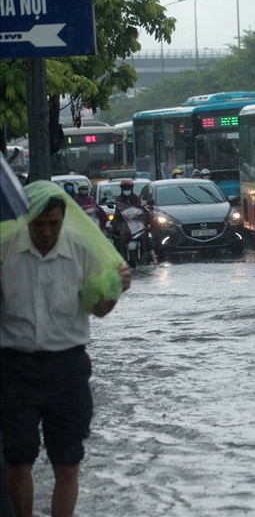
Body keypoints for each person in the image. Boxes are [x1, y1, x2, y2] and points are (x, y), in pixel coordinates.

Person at [1, 181, 132, 517]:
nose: (46, 232)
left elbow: (98, 309)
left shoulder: (79, 248)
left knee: (68, 463)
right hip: (15, 369)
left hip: (68, 368)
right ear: (26, 220)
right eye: (39, 224)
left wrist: (114, 290)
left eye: (54, 224)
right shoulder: (6, 251)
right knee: (17, 460)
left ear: (63, 219)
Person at [114, 180, 157, 266]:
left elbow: (143, 210)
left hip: (137, 225)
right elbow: (117, 217)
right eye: (125, 188)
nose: (127, 190)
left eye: (128, 188)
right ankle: (120, 260)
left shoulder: (136, 199)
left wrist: (148, 220)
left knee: (147, 240)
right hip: (124, 226)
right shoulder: (119, 199)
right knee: (118, 241)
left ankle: (152, 260)